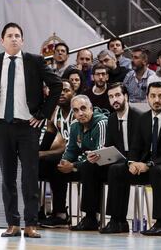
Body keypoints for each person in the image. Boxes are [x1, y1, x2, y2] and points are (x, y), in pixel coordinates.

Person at [0, 22, 62, 238]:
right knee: (7, 177)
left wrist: (42, 114)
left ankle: (31, 223)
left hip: (28, 127)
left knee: (30, 176)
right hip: (1, 126)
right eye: (9, 35)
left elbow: (56, 85)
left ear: (22, 40)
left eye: (17, 35)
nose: (13, 39)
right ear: (2, 40)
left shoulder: (35, 62)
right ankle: (12, 223)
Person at [103, 82, 161, 236]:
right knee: (116, 169)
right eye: (153, 96)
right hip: (151, 166)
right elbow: (136, 147)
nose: (157, 100)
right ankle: (117, 221)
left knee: (157, 171)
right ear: (147, 98)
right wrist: (132, 163)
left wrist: (148, 164)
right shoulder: (143, 119)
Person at [98, 83, 142, 233]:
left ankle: (117, 220)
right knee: (89, 167)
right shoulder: (111, 119)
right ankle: (90, 217)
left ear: (126, 97)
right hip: (118, 161)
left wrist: (130, 161)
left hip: (136, 162)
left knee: (116, 170)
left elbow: (141, 147)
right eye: (111, 97)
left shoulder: (139, 117)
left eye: (117, 95)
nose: (114, 100)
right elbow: (109, 146)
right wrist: (99, 155)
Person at [60, 94, 108, 231]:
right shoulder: (75, 125)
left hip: (104, 165)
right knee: (55, 167)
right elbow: (71, 150)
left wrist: (74, 165)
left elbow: (100, 155)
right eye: (75, 110)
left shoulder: (101, 123)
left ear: (91, 108)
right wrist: (64, 161)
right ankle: (59, 213)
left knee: (89, 167)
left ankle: (91, 217)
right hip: (85, 163)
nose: (80, 113)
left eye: (83, 108)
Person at [39, 80, 77, 228]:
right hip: (65, 153)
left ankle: (60, 213)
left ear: (73, 93)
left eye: (66, 90)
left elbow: (70, 146)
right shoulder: (55, 112)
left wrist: (44, 154)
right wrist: (38, 154)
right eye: (59, 90)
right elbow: (49, 136)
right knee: (34, 163)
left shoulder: (77, 111)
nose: (62, 93)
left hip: (79, 153)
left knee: (55, 163)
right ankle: (36, 210)